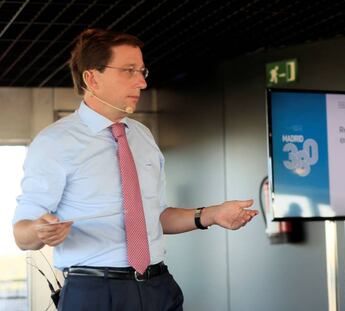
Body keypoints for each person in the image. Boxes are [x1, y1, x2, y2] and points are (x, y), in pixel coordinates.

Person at [12, 28, 258, 311]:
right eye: (128, 71)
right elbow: (22, 234)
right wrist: (39, 230)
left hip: (159, 286)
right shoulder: (54, 142)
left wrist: (212, 214)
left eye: (142, 71)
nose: (141, 82)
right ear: (91, 78)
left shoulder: (142, 137)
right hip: (96, 293)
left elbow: (155, 217)